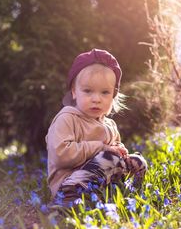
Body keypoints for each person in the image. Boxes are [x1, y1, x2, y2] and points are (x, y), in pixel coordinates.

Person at [46, 48, 147, 207]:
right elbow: (61, 155)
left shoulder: (110, 125)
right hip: (70, 182)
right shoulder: (67, 118)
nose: (96, 99)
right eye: (88, 91)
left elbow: (113, 154)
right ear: (74, 92)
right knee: (110, 157)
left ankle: (124, 193)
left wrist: (120, 151)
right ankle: (68, 199)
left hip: (101, 180)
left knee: (138, 161)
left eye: (105, 92)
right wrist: (101, 148)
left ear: (113, 96)